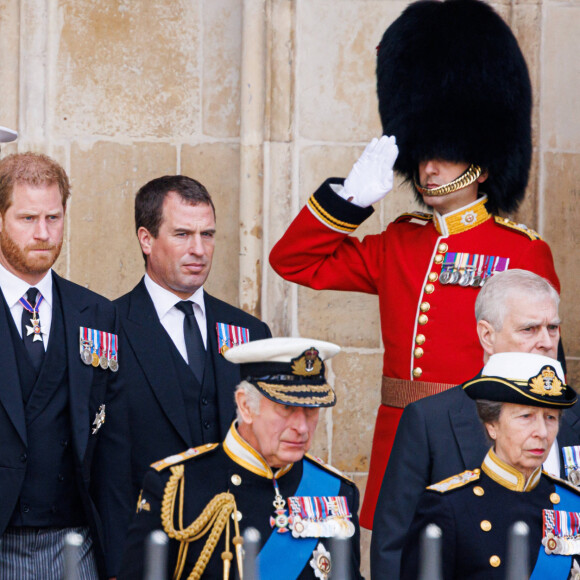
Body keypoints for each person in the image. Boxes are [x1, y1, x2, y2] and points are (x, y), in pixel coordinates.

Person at [269, 0, 560, 528]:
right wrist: (350, 201)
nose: (427, 166)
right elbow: (293, 261)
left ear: (481, 161)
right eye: (423, 149)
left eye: (443, 152)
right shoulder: (400, 242)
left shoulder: (523, 250)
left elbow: (543, 370)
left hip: (477, 442)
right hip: (399, 439)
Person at [371, 269, 580, 579]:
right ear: (486, 335)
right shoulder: (431, 420)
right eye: (529, 329)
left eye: (553, 328)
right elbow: (393, 550)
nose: (546, 342)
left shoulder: (576, 415)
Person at [119, 337, 362, 579]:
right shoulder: (176, 487)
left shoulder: (336, 491)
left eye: (311, 410)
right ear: (245, 406)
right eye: (286, 409)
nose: (302, 427)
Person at [0, 152, 131, 579]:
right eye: (27, 218)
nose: (43, 233)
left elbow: (114, 448)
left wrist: (116, 556)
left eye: (53, 218)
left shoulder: (95, 313)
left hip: (76, 543)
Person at [115, 175, 271, 500]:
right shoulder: (110, 328)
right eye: (183, 234)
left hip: (233, 535)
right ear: (146, 239)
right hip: (146, 534)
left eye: (208, 234)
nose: (198, 250)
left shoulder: (251, 333)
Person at [401, 352, 580, 579]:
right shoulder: (447, 506)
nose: (542, 433)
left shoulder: (572, 504)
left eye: (551, 418)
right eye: (526, 416)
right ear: (491, 424)